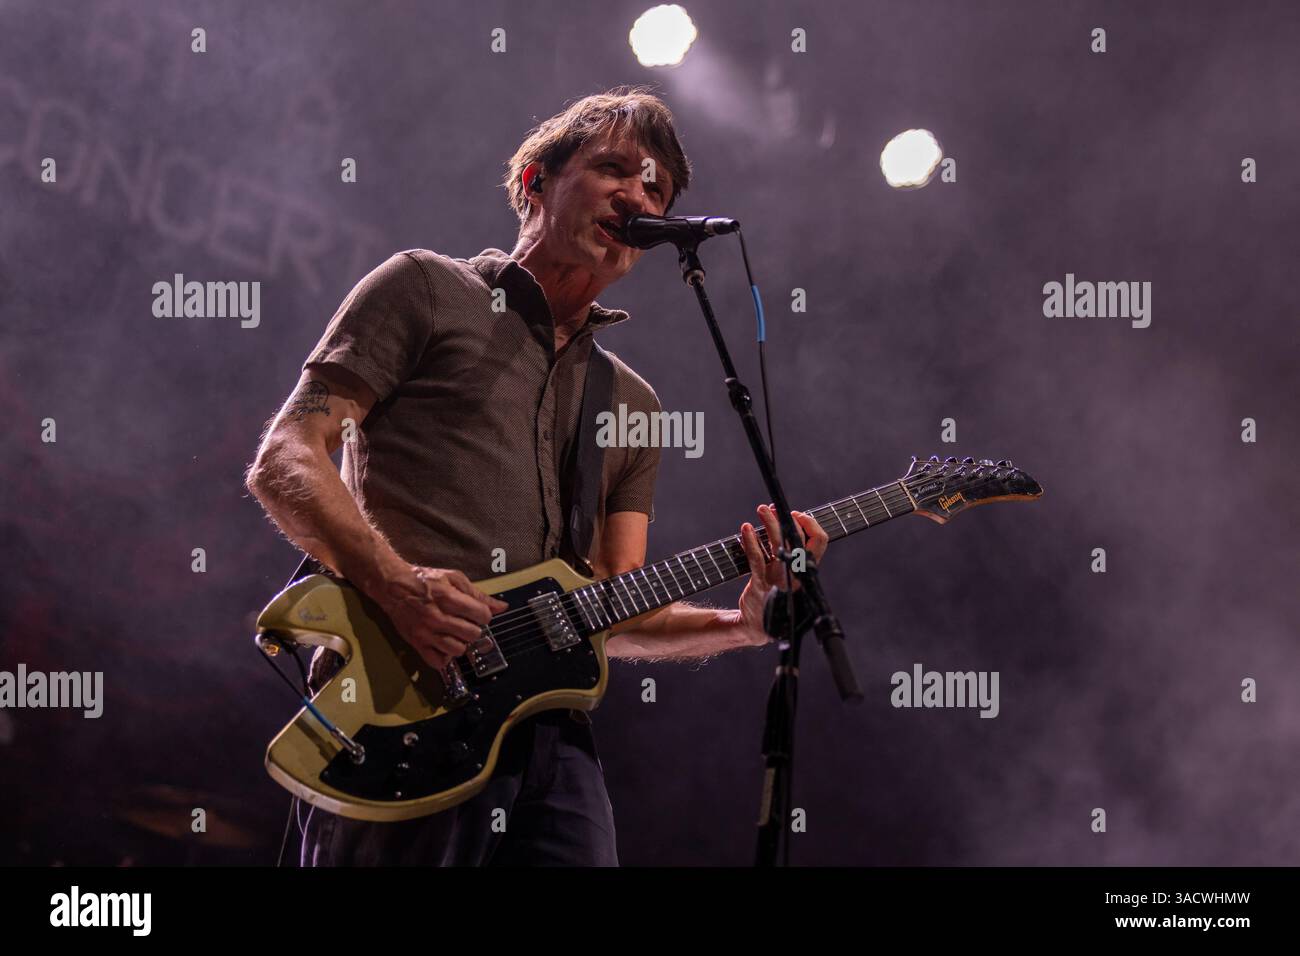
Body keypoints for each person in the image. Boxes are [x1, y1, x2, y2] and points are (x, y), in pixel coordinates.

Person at [244, 86, 829, 866]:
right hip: (396, 711)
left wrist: (743, 623)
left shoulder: (631, 402)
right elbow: (286, 456)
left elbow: (614, 603)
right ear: (534, 183)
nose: (638, 195)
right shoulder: (424, 288)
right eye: (614, 168)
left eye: (656, 188)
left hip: (552, 744)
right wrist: (397, 584)